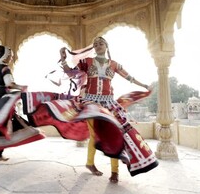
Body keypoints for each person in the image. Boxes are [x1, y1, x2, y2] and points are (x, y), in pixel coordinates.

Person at [59, 36, 151, 183]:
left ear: (106, 46)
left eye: (101, 43)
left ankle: (115, 171)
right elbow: (71, 72)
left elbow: (129, 77)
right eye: (95, 44)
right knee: (94, 135)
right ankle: (90, 163)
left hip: (109, 103)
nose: (98, 45)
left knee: (115, 133)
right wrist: (63, 59)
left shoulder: (114, 64)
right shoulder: (87, 62)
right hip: (91, 103)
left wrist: (144, 86)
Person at [0, 45, 27, 163]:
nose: (11, 59)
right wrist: (21, 87)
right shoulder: (5, 68)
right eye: (10, 56)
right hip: (3, 102)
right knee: (5, 127)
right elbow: (9, 84)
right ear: (6, 56)